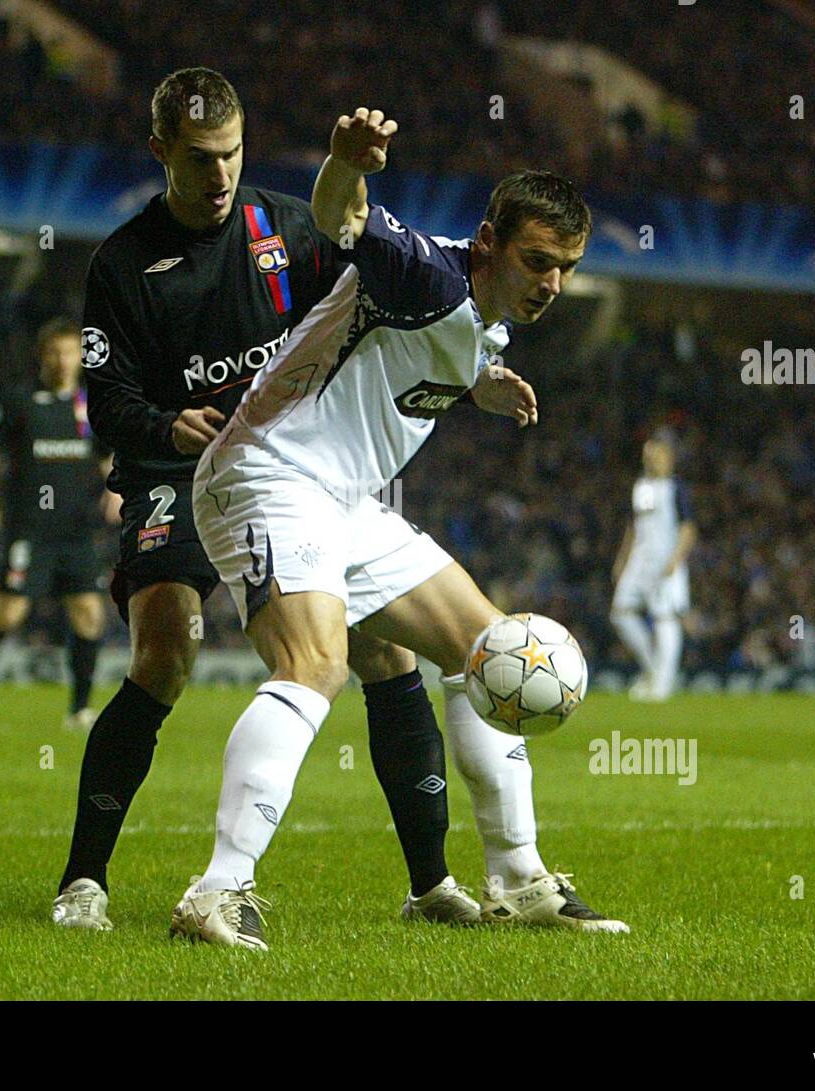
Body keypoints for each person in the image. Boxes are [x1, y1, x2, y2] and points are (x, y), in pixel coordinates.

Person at [170, 107, 629, 949]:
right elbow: (340, 214)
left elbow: (429, 351)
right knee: (317, 663)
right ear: (490, 239)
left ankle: (520, 880)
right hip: (267, 472)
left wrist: (479, 380)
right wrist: (346, 161)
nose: (551, 284)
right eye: (537, 261)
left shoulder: (483, 315)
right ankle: (217, 890)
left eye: (565, 269)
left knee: (488, 649)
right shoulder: (425, 270)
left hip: (343, 501)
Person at [53, 69, 472, 932]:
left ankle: (431, 886)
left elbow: (384, 292)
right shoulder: (126, 262)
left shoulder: (285, 226)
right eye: (201, 159)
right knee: (167, 650)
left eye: (233, 155)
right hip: (176, 470)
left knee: (385, 653)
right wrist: (169, 425)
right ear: (160, 149)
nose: (219, 176)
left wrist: (470, 369)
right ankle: (83, 881)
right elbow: (106, 399)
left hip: (290, 474)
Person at [0, 319, 119, 732]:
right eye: (55, 352)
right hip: (29, 529)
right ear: (43, 356)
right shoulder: (20, 401)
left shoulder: (88, 406)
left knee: (88, 614)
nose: (63, 360)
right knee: (8, 612)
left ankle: (79, 709)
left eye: (70, 352)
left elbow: (107, 457)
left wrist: (115, 490)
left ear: (81, 357)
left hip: (76, 532)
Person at [610, 438, 696, 701]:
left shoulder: (676, 488)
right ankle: (652, 669)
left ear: (668, 458)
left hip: (665, 561)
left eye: (656, 455)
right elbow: (633, 527)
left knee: (665, 617)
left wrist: (676, 557)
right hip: (639, 561)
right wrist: (622, 560)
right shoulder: (640, 487)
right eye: (648, 456)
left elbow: (688, 527)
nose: (651, 460)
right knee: (620, 613)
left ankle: (663, 683)